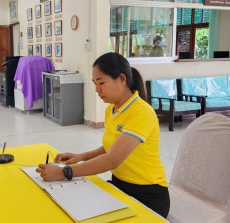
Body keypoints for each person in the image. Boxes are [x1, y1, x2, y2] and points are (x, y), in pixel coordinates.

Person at [36, 52, 170, 218]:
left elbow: (113, 159)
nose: (97, 90)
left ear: (122, 79)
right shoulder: (112, 109)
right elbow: (111, 147)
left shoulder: (141, 112)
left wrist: (65, 172)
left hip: (148, 195)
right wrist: (81, 156)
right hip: (120, 185)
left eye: (101, 83)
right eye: (95, 84)